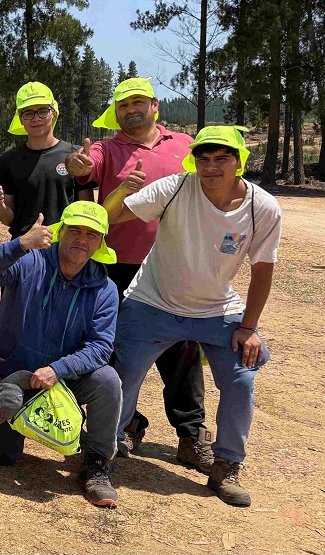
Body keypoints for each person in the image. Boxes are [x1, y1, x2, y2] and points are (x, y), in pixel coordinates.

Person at [104, 126, 280, 507]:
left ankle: (227, 464)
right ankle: (105, 447)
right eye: (204, 159)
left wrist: (248, 327)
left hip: (217, 308)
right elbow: (108, 219)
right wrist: (121, 189)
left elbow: (263, 270)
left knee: (241, 378)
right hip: (153, 302)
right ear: (193, 161)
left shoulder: (262, 207)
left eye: (222, 159)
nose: (211, 167)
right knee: (123, 374)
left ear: (239, 162)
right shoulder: (175, 188)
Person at [63, 77, 210, 470]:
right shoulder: (107, 148)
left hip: (175, 263)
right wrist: (78, 166)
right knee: (115, 350)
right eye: (123, 104)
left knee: (181, 351)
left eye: (137, 102)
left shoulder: (184, 146)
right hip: (118, 264)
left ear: (155, 104)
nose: (130, 110)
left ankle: (191, 435)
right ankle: (124, 424)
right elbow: (85, 167)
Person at [0, 201, 122, 508]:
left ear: (100, 243)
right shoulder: (30, 261)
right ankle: (15, 425)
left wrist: (58, 369)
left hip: (57, 379)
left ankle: (96, 463)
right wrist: (20, 244)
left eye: (92, 234)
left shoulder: (104, 289)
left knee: (108, 381)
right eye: (75, 230)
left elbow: (100, 347)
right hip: (8, 374)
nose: (82, 239)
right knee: (3, 458)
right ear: (60, 231)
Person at [0, 82, 94, 238]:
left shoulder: (75, 155)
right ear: (20, 119)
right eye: (28, 113)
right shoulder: (8, 160)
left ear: (53, 113)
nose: (36, 118)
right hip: (24, 250)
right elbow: (9, 219)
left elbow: (87, 208)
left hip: (63, 250)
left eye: (42, 111)